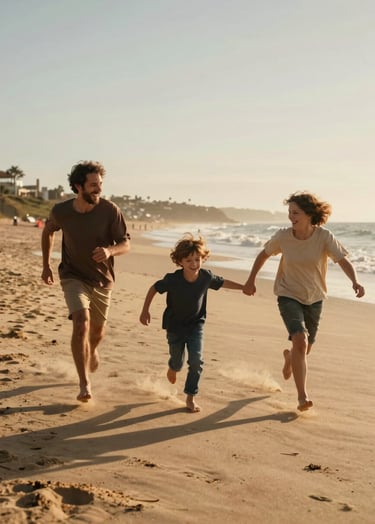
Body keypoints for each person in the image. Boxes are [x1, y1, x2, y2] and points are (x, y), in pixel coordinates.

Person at [243, 191, 365, 411]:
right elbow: (263, 255)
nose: (291, 216)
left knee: (303, 349)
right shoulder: (283, 236)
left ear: (309, 214)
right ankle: (302, 397)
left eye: (296, 212)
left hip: (315, 298)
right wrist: (251, 280)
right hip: (288, 294)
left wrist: (355, 281)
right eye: (289, 212)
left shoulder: (324, 237)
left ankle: (290, 357)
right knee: (300, 340)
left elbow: (343, 261)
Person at [41, 161, 130, 402]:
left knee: (97, 332)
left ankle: (94, 349)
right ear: (78, 186)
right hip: (72, 275)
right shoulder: (62, 211)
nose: (98, 189)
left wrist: (110, 252)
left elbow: (125, 243)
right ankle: (84, 383)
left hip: (102, 279)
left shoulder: (110, 210)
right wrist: (46, 265)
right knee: (81, 322)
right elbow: (48, 231)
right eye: (93, 185)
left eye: (100, 184)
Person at [139, 234, 244, 413]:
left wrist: (243, 287)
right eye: (189, 260)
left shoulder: (205, 277)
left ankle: (190, 396)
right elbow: (154, 288)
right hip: (175, 327)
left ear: (203, 259)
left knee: (196, 361)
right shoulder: (173, 279)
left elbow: (223, 282)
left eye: (197, 259)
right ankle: (173, 367)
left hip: (196, 326)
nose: (194, 264)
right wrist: (145, 310)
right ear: (180, 261)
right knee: (178, 362)